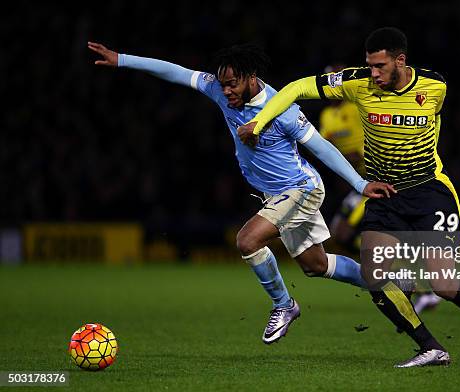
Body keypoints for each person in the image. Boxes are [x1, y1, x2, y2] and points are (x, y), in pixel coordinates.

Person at [237, 27, 460, 367]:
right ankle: (430, 348)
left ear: (400, 61)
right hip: (383, 193)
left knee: (445, 286)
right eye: (369, 66)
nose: (373, 74)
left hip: (428, 192)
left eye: (380, 66)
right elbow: (297, 88)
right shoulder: (357, 83)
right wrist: (259, 121)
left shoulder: (435, 87)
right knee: (374, 277)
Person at [88, 41, 394, 344]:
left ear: (250, 77)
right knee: (316, 265)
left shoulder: (281, 108)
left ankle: (284, 306)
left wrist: (359, 184)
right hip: (275, 195)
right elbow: (177, 73)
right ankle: (386, 282)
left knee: (247, 240)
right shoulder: (221, 91)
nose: (226, 92)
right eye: (222, 85)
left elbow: (322, 148)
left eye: (232, 84)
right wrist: (122, 59)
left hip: (301, 189)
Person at [319, 64, 442, 315]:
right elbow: (325, 145)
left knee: (349, 233)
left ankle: (419, 285)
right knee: (340, 234)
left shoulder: (357, 106)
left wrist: (346, 158)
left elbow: (365, 144)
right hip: (360, 183)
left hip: (381, 178)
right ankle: (407, 278)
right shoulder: (326, 116)